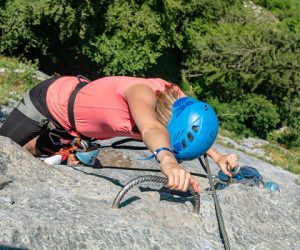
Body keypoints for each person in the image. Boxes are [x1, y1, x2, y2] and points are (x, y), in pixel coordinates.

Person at [0, 75, 239, 193]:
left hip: (73, 129)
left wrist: (218, 157)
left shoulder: (179, 99)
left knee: (26, 157)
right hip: (49, 102)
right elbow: (151, 129)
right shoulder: (142, 93)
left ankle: (61, 148)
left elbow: (193, 130)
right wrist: (168, 161)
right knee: (4, 154)